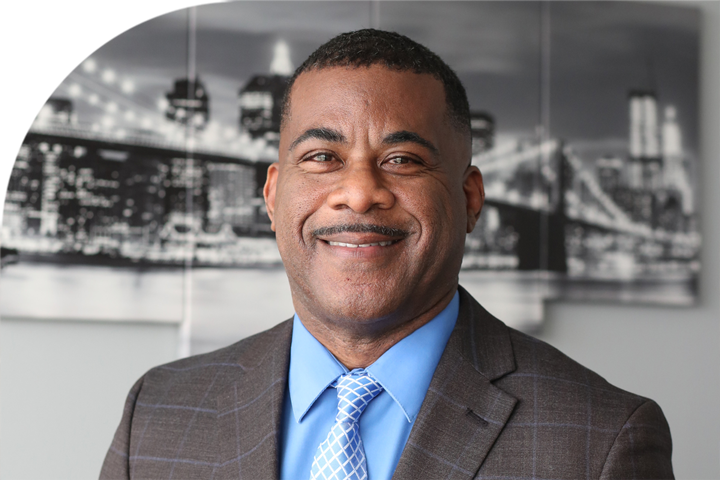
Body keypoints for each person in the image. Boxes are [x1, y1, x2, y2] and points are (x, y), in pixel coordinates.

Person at [100, 29, 673, 480]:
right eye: (322, 157)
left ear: (470, 199)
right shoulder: (158, 413)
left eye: (402, 160)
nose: (359, 192)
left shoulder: (602, 441)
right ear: (272, 196)